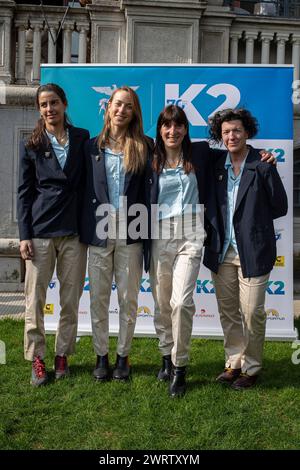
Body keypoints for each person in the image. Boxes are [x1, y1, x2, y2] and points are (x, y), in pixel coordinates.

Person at [203, 108, 288, 390]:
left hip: (254, 251)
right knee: (228, 312)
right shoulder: (216, 165)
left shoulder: (262, 164)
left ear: (247, 132)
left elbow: (280, 206)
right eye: (226, 132)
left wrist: (271, 167)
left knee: (251, 312)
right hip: (221, 251)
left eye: (236, 130)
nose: (231, 136)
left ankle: (251, 368)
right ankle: (233, 362)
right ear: (220, 135)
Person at [18, 83, 90, 386]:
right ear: (39, 109)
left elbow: (90, 183)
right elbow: (24, 193)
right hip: (41, 232)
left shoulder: (82, 137)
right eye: (44, 104)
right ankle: (37, 357)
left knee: (70, 300)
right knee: (34, 299)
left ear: (65, 104)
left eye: (55, 103)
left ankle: (62, 355)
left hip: (73, 231)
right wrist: (24, 235)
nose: (50, 109)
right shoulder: (31, 144)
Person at [146, 105, 220, 398]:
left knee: (181, 302)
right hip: (158, 233)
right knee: (162, 302)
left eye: (178, 126)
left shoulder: (200, 153)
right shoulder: (150, 158)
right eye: (167, 126)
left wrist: (260, 155)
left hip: (191, 232)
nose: (172, 131)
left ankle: (180, 367)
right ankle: (166, 354)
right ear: (160, 130)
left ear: (186, 129)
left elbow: (234, 153)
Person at [80, 86, 152, 382]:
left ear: (134, 113)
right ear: (107, 108)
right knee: (98, 297)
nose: (122, 110)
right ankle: (101, 355)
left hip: (132, 228)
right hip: (98, 228)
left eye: (129, 106)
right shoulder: (90, 146)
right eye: (118, 105)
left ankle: (123, 356)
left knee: (128, 298)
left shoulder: (145, 145)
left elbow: (182, 153)